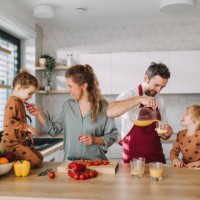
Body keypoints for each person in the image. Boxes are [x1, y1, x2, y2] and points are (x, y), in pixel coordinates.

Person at [26, 64, 118, 161]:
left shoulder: (104, 108)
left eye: (70, 86)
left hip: (96, 164)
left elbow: (112, 136)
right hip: (71, 165)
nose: (68, 89)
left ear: (84, 85)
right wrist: (39, 113)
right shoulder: (67, 106)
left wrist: (95, 140)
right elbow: (54, 130)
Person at [107, 62, 173, 163]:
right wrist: (139, 99)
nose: (159, 90)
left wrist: (166, 133)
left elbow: (163, 135)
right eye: (156, 85)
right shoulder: (130, 94)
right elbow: (110, 112)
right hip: (133, 161)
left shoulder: (160, 100)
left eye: (162, 87)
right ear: (146, 78)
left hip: (156, 159)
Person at [0, 70, 43, 168]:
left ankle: (12, 163)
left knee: (40, 157)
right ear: (19, 88)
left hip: (19, 142)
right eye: (30, 93)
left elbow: (20, 122)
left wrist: (27, 133)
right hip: (11, 144)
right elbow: (9, 121)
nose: (31, 96)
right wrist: (27, 127)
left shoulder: (20, 102)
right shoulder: (13, 102)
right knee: (36, 161)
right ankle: (12, 163)